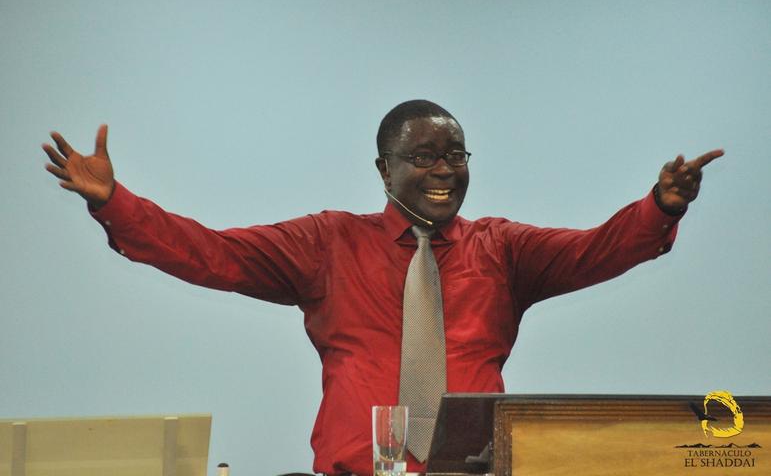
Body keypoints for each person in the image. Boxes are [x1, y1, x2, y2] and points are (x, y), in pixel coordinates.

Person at [42, 100, 723, 476]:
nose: (445, 170)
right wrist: (115, 203)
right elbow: (211, 255)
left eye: (455, 155)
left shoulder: (503, 250)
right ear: (383, 169)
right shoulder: (327, 244)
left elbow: (594, 251)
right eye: (424, 156)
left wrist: (659, 207)